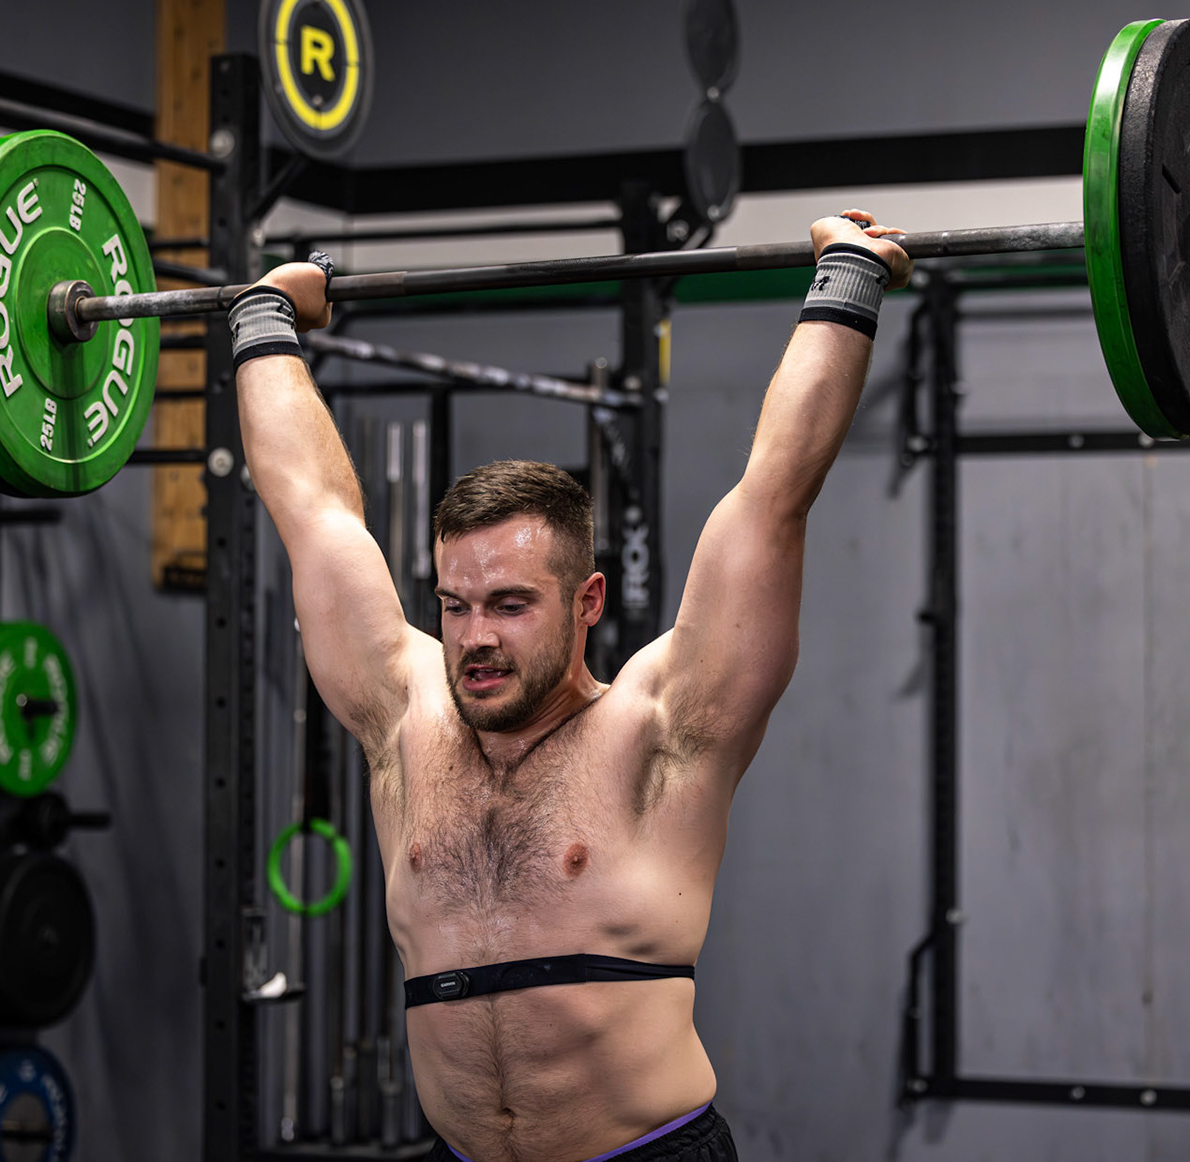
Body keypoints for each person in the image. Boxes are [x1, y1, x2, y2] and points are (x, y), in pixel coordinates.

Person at [228, 210, 911, 1162]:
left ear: (587, 600)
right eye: (455, 605)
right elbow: (311, 512)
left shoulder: (661, 728)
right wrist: (264, 320)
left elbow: (775, 493)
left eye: (510, 605)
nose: (475, 637)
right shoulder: (406, 719)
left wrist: (847, 279)